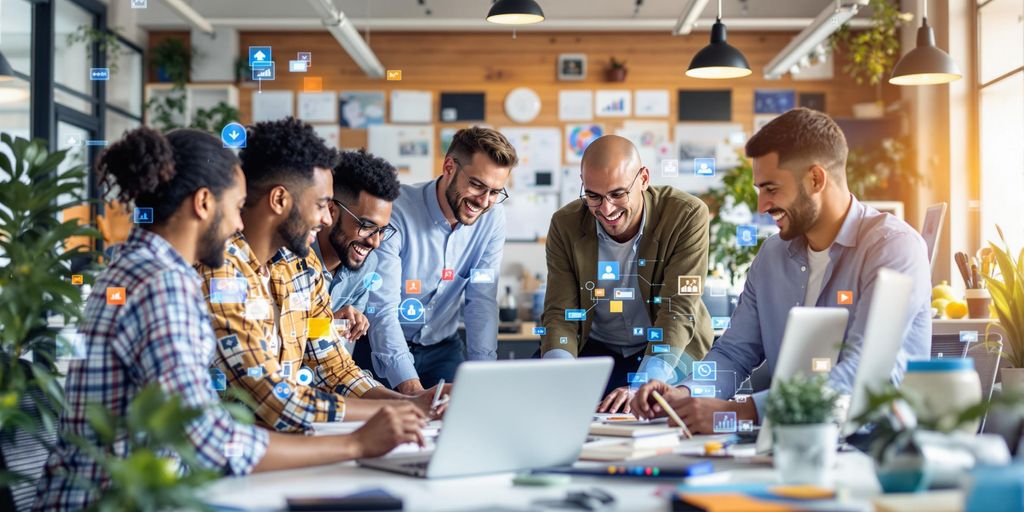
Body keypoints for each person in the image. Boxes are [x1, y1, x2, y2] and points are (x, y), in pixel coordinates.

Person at [34, 127, 426, 511]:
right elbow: (210, 439)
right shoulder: (164, 284)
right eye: (235, 205)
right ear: (204, 203)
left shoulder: (147, 269)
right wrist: (357, 444)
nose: (240, 223)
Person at [630, 108, 932, 433]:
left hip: (876, 449)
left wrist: (743, 411)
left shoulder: (893, 247)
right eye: (759, 189)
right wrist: (686, 394)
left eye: (771, 189)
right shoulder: (772, 255)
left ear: (816, 179)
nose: (761, 205)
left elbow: (863, 372)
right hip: (783, 443)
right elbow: (734, 352)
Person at [195, 118, 444, 434]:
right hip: (222, 462)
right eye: (323, 205)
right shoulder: (220, 271)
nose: (327, 218)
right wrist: (396, 412)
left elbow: (334, 368)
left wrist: (412, 403)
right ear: (280, 200)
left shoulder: (302, 267)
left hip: (285, 450)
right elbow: (273, 398)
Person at [541, 134, 714, 402]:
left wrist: (644, 384)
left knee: (654, 410)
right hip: (596, 346)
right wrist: (559, 375)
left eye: (618, 194)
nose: (606, 209)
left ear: (644, 179)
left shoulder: (687, 215)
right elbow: (560, 313)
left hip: (669, 347)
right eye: (593, 196)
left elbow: (677, 309)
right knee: (546, 398)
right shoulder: (565, 224)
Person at [361, 127, 519, 393]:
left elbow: (481, 299)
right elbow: (383, 306)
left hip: (443, 349)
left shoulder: (492, 219)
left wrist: (484, 377)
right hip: (380, 346)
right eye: (477, 185)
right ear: (449, 167)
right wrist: (410, 387)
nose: (484, 201)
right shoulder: (396, 210)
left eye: (495, 192)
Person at [311, 150, 400, 344]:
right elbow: (282, 332)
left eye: (382, 230)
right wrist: (328, 324)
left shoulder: (367, 265)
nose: (375, 242)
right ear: (331, 210)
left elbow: (340, 349)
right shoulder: (292, 257)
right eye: (367, 226)